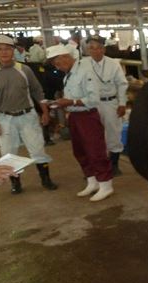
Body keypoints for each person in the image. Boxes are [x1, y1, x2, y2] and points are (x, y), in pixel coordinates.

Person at [46, 43, 114, 202]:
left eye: (57, 62)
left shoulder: (85, 71)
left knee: (95, 150)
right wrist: (64, 104)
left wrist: (70, 101)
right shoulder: (68, 75)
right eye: (54, 63)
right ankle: (92, 181)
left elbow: (93, 99)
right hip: (75, 116)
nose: (56, 66)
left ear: (66, 57)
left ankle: (105, 184)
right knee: (80, 151)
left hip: (88, 116)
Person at [0, 35, 58, 194]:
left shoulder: (24, 69)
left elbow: (37, 91)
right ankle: (15, 183)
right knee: (9, 153)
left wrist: (45, 112)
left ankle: (46, 179)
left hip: (27, 116)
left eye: (7, 49)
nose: (3, 52)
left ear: (13, 51)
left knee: (37, 150)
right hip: (5, 118)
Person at [84, 35, 129, 177]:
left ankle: (114, 165)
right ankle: (96, 166)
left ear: (103, 49)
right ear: (88, 50)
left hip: (110, 103)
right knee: (93, 135)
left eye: (98, 48)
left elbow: (121, 84)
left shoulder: (113, 64)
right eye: (92, 48)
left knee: (113, 134)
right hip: (91, 104)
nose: (95, 51)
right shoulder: (83, 64)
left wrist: (122, 104)